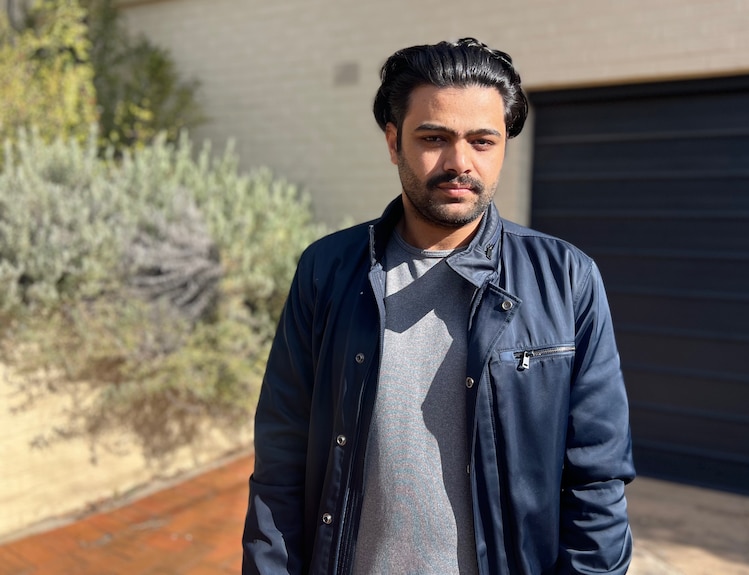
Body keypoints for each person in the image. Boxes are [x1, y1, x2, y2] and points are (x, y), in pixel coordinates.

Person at [242, 37, 635, 575]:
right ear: (392, 140)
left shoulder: (566, 279)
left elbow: (597, 479)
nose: (459, 162)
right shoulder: (327, 270)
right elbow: (281, 460)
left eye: (482, 141)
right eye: (434, 138)